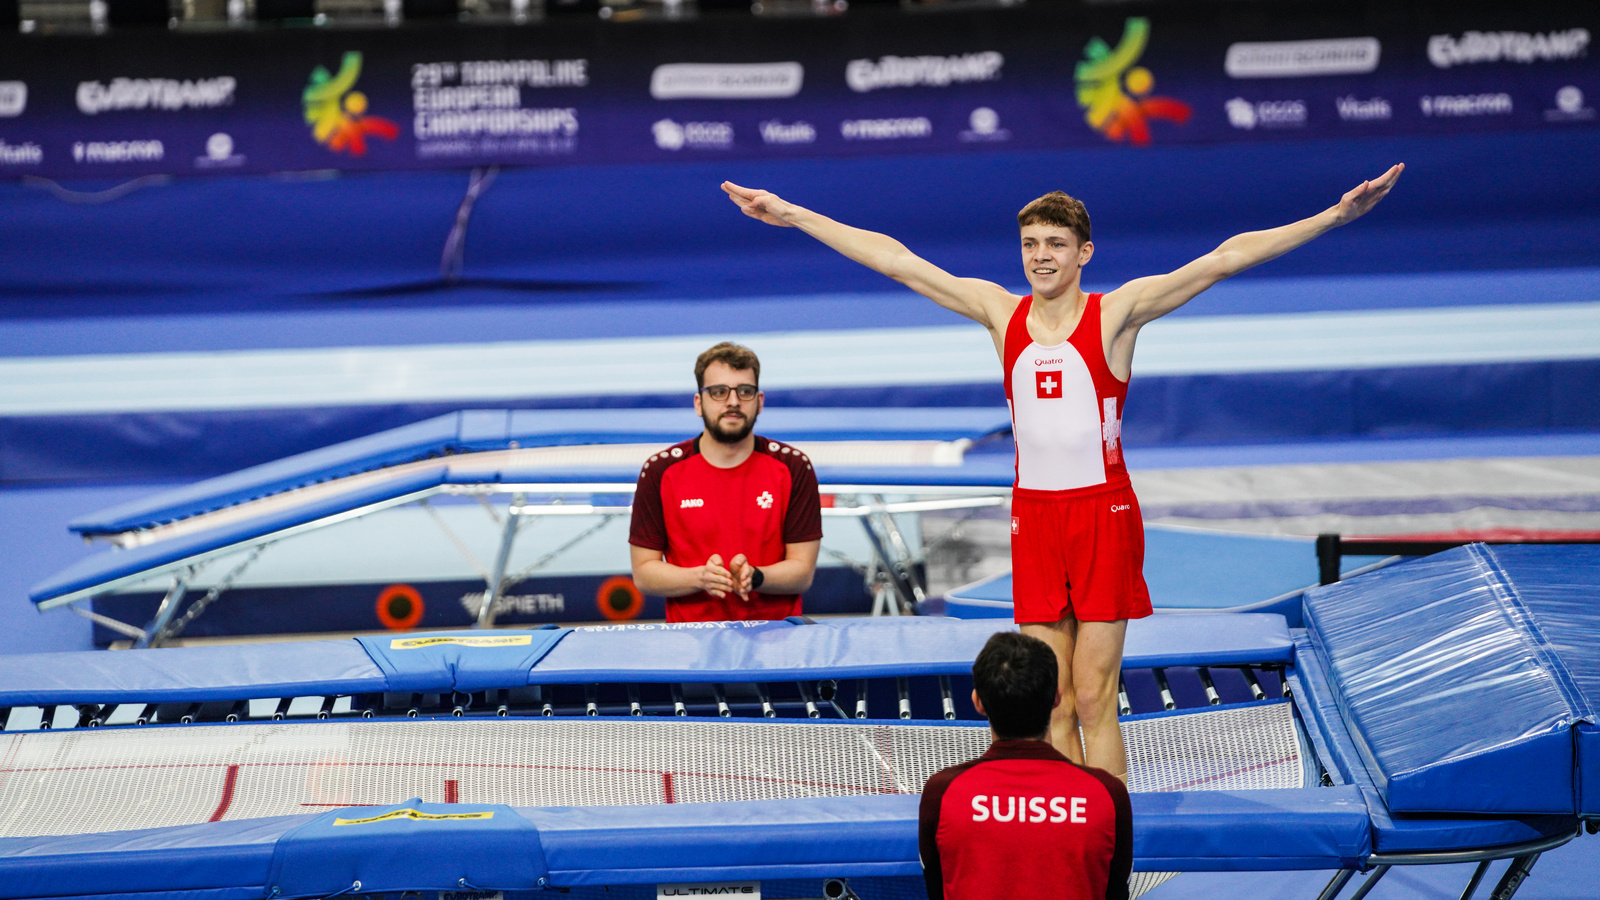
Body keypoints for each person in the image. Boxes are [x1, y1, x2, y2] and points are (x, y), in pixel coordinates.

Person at [723, 165, 1403, 777]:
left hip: (1103, 513)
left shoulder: (1116, 315)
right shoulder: (1000, 313)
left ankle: (1109, 842)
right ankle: (1068, 832)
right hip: (1036, 518)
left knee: (1095, 697)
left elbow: (1224, 259)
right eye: (1030, 244)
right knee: (1051, 699)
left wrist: (1334, 216)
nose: (1040, 256)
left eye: (1055, 244)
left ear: (1084, 253)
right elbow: (897, 261)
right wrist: (793, 213)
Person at [920, 631, 1132, 900]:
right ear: (1056, 698)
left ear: (978, 702)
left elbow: (937, 888)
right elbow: (1116, 890)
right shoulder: (1107, 793)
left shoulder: (941, 792)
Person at [629, 341, 823, 622]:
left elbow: (803, 572)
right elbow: (644, 573)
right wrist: (700, 578)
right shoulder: (661, 471)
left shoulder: (793, 467)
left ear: (759, 402)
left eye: (745, 391)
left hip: (779, 634)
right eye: (719, 392)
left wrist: (757, 577)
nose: (733, 401)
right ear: (699, 403)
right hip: (691, 637)